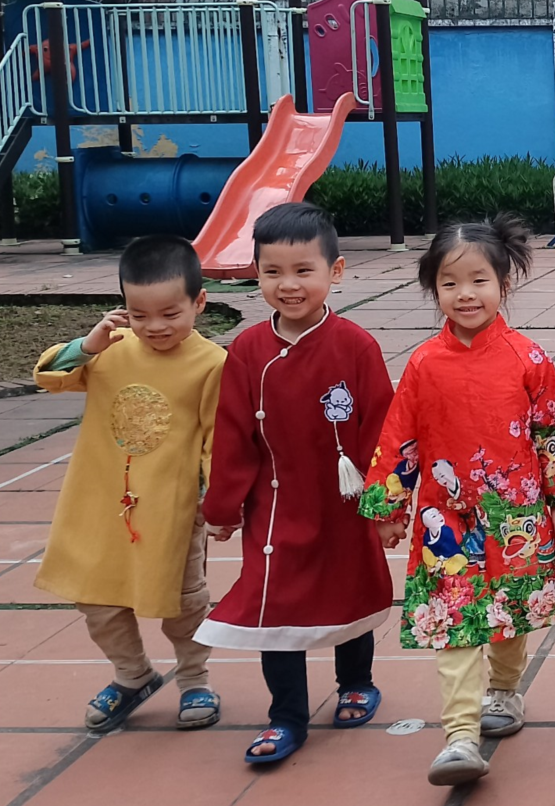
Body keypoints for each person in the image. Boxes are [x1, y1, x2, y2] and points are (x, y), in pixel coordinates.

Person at [361, 216, 555, 786]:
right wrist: (390, 509)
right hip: (447, 521)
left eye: (479, 280)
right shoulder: (423, 364)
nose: (465, 294)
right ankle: (459, 734)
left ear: (503, 283)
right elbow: (400, 438)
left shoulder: (530, 360)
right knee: (453, 623)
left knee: (511, 615)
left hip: (517, 518)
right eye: (450, 282)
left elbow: (550, 435)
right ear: (433, 288)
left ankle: (504, 691)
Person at [198, 203, 395, 765]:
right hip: (275, 507)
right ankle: (286, 715)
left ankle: (356, 680)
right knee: (274, 607)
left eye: (303, 270)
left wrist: (386, 506)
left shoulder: (355, 346)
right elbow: (233, 436)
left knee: (347, 589)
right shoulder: (247, 351)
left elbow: (381, 432)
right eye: (272, 272)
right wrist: (223, 508)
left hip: (342, 502)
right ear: (255, 274)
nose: (288, 285)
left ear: (336, 271)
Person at [33, 236, 228, 733]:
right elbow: (49, 375)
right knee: (95, 596)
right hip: (97, 502)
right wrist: (88, 345)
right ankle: (132, 673)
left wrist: (215, 500)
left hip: (171, 508)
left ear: (199, 302)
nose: (155, 326)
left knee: (183, 600)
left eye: (170, 313)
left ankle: (194, 678)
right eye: (139, 315)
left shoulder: (212, 363)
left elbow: (217, 439)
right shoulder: (110, 349)